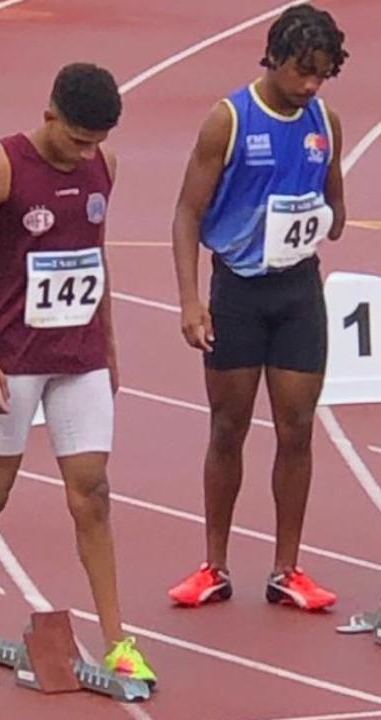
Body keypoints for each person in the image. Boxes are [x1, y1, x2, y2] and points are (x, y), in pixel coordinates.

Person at [0, 63, 154, 685]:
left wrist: (108, 345)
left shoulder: (106, 165)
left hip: (78, 359)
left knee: (94, 494)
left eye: (97, 141)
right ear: (50, 115)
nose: (87, 152)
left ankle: (117, 640)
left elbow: (95, 257)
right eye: (78, 140)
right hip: (13, 360)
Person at [168, 4, 347, 611]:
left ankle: (286, 570)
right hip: (238, 292)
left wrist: (326, 218)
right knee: (228, 428)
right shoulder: (230, 120)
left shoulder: (324, 118)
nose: (310, 85)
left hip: (298, 292)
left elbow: (335, 199)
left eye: (322, 74)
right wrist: (191, 300)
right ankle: (213, 565)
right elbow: (187, 212)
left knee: (297, 430)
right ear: (273, 57)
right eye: (302, 71)